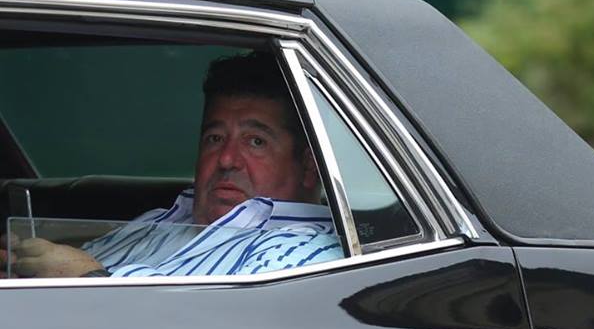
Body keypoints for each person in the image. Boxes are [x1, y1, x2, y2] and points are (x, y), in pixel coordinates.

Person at [3, 52, 343, 279]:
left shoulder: (305, 256)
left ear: (309, 166)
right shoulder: (158, 221)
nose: (226, 159)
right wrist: (21, 266)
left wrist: (90, 280)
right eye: (215, 138)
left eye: (256, 142)